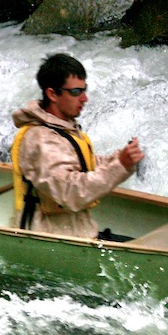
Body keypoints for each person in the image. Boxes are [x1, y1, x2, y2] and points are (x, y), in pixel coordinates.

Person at [10, 53, 144, 239]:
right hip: (51, 238)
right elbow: (71, 192)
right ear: (52, 94)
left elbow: (83, 164)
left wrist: (120, 159)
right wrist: (120, 165)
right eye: (75, 92)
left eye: (84, 90)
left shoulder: (62, 129)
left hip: (78, 232)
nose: (84, 98)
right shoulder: (41, 140)